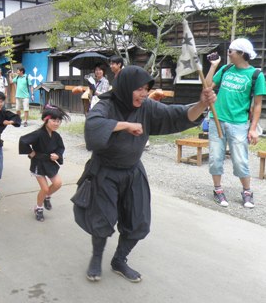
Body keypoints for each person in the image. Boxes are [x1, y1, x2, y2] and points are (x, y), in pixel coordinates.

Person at [79, 65, 216, 283]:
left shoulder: (147, 106)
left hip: (133, 171)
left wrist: (201, 105)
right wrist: (125, 125)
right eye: (139, 89)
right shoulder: (106, 104)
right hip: (105, 171)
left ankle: (119, 259)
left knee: (139, 221)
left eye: (146, 89)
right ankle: (96, 257)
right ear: (125, 87)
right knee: (102, 220)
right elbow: (93, 126)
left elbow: (177, 115)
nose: (144, 93)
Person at [205, 38, 266, 208]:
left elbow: (257, 104)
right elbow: (207, 87)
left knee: (240, 160)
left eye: (231, 51)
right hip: (217, 120)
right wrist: (213, 66)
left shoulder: (256, 75)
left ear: (241, 53)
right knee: (215, 158)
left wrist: (253, 129)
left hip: (239, 123)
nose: (228, 53)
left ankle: (247, 191)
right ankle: (218, 190)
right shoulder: (225, 69)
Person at [19, 105, 68, 222]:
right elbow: (23, 140)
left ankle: (46, 197)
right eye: (53, 120)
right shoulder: (38, 133)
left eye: (58, 121)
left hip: (49, 162)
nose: (56, 123)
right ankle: (38, 208)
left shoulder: (56, 135)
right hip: (38, 163)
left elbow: (61, 148)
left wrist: (58, 155)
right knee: (45, 188)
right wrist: (30, 152)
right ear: (45, 120)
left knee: (58, 184)